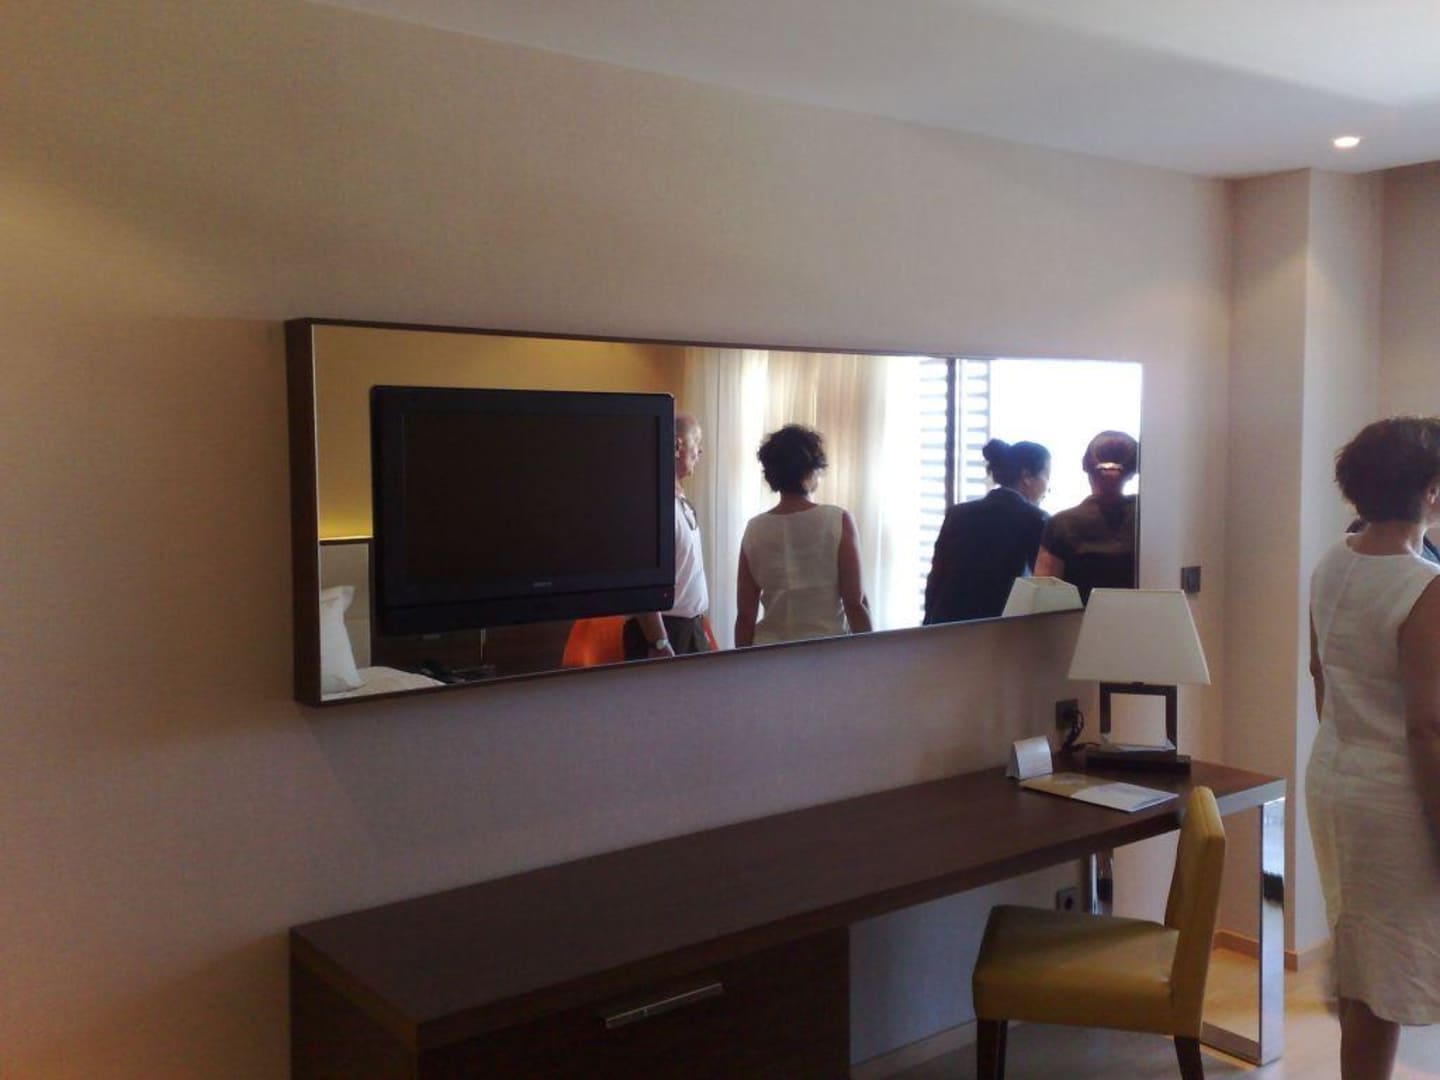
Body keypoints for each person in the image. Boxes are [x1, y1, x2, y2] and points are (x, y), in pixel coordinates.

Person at [1306, 416, 1440, 1080]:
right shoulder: (1423, 585)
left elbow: (1319, 675)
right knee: (1381, 976)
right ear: (1430, 490)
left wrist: (1351, 744)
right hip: (1396, 800)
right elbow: (1427, 727)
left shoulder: (1334, 561)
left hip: (1336, 779)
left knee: (1364, 965)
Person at [734, 424, 872, 646]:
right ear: (811, 470)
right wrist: (871, 655)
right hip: (826, 651)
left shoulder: (754, 529)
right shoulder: (838, 520)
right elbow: (854, 604)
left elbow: (745, 616)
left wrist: (742, 663)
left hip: (769, 652)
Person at [923, 438, 1051, 624]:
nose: (1048, 487)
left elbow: (936, 579)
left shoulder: (958, 514)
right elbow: (1043, 588)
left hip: (946, 626)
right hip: (996, 630)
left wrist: (928, 627)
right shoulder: (1036, 519)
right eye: (1047, 476)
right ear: (1027, 477)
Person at [623, 412, 711, 659]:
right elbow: (639, 579)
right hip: (663, 634)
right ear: (677, 446)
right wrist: (659, 642)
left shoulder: (678, 501)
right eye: (697, 442)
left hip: (690, 629)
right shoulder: (649, 503)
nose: (700, 451)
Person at [1033, 430, 1138, 602]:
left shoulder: (1061, 525)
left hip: (1079, 620)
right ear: (1134, 471)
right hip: (1142, 618)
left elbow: (1042, 599)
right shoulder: (1151, 521)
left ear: (1086, 466)